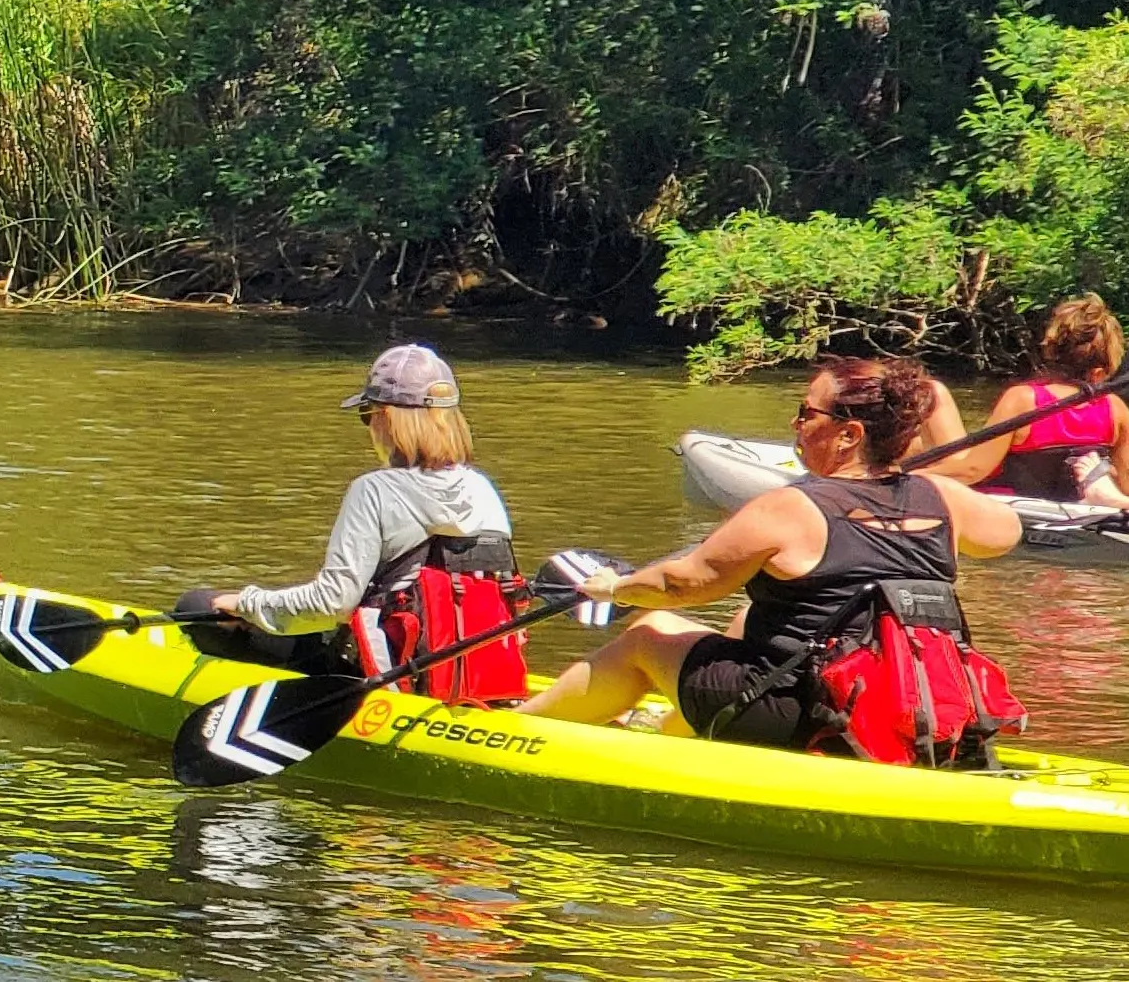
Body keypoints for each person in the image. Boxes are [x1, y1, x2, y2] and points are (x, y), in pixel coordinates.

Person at [523, 357, 1025, 765]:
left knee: (650, 633)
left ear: (849, 435)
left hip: (802, 714)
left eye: (808, 413)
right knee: (745, 624)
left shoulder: (790, 507)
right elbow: (1007, 532)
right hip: (912, 711)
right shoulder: (939, 495)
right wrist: (904, 481)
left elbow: (683, 583)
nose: (796, 423)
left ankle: (525, 727)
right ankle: (674, 735)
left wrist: (615, 588)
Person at [176, 345, 533, 703]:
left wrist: (245, 603)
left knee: (196, 606)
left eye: (367, 413)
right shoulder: (482, 488)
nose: (369, 425)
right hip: (473, 673)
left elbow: (332, 604)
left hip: (388, 676)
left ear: (387, 418)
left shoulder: (374, 489)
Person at [954, 296, 1129, 508]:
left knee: (935, 400)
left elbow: (974, 470)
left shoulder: (1022, 399)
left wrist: (916, 474)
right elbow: (1126, 480)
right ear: (1101, 371)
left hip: (1012, 506)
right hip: (1074, 507)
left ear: (1052, 350)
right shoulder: (1114, 407)